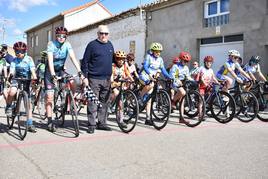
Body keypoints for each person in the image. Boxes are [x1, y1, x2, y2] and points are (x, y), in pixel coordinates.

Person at [45, 26, 84, 132]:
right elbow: (50, 60)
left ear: (66, 37)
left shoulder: (67, 45)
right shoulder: (51, 44)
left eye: (63, 36)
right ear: (56, 36)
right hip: (50, 71)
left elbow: (72, 57)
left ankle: (71, 100)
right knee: (49, 97)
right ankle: (49, 122)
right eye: (58, 36)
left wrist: (79, 71)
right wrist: (53, 74)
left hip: (61, 70)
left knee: (72, 81)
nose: (61, 38)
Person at [81, 25, 114, 134]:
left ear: (108, 34)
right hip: (94, 78)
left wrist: (112, 75)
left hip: (107, 79)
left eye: (106, 33)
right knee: (93, 102)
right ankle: (91, 124)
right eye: (101, 33)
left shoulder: (110, 45)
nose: (104, 35)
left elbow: (111, 62)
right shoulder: (92, 45)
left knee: (104, 102)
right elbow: (85, 62)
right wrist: (84, 77)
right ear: (98, 34)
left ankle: (102, 123)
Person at [5, 42, 37, 132]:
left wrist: (35, 77)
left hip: (26, 80)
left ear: (25, 51)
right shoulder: (14, 60)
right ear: (15, 52)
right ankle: (8, 106)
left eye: (22, 52)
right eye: (17, 52)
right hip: (16, 79)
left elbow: (32, 70)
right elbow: (11, 71)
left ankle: (30, 124)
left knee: (28, 104)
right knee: (12, 91)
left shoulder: (29, 59)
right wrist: (9, 78)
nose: (19, 54)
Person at [139, 42, 173, 125]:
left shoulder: (160, 59)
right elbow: (145, 66)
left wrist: (169, 77)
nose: (158, 53)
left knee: (149, 100)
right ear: (152, 51)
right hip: (144, 75)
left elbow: (163, 69)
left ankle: (147, 119)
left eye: (159, 51)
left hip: (153, 77)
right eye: (156, 51)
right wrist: (149, 74)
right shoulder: (149, 57)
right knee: (150, 85)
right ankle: (140, 96)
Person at [110, 50, 133, 128]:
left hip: (121, 84)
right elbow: (111, 76)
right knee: (116, 93)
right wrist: (112, 81)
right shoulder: (113, 66)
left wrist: (131, 80)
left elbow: (128, 73)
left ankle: (121, 121)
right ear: (116, 59)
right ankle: (110, 104)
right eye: (119, 59)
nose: (121, 61)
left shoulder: (124, 65)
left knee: (121, 104)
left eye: (123, 59)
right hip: (114, 84)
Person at [169, 51, 193, 123]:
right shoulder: (175, 66)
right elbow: (173, 76)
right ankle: (173, 101)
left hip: (182, 84)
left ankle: (181, 118)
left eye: (187, 61)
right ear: (181, 59)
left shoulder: (186, 68)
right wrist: (177, 80)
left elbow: (188, 76)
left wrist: (194, 81)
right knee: (183, 92)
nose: (185, 63)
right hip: (175, 82)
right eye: (185, 61)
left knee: (182, 101)